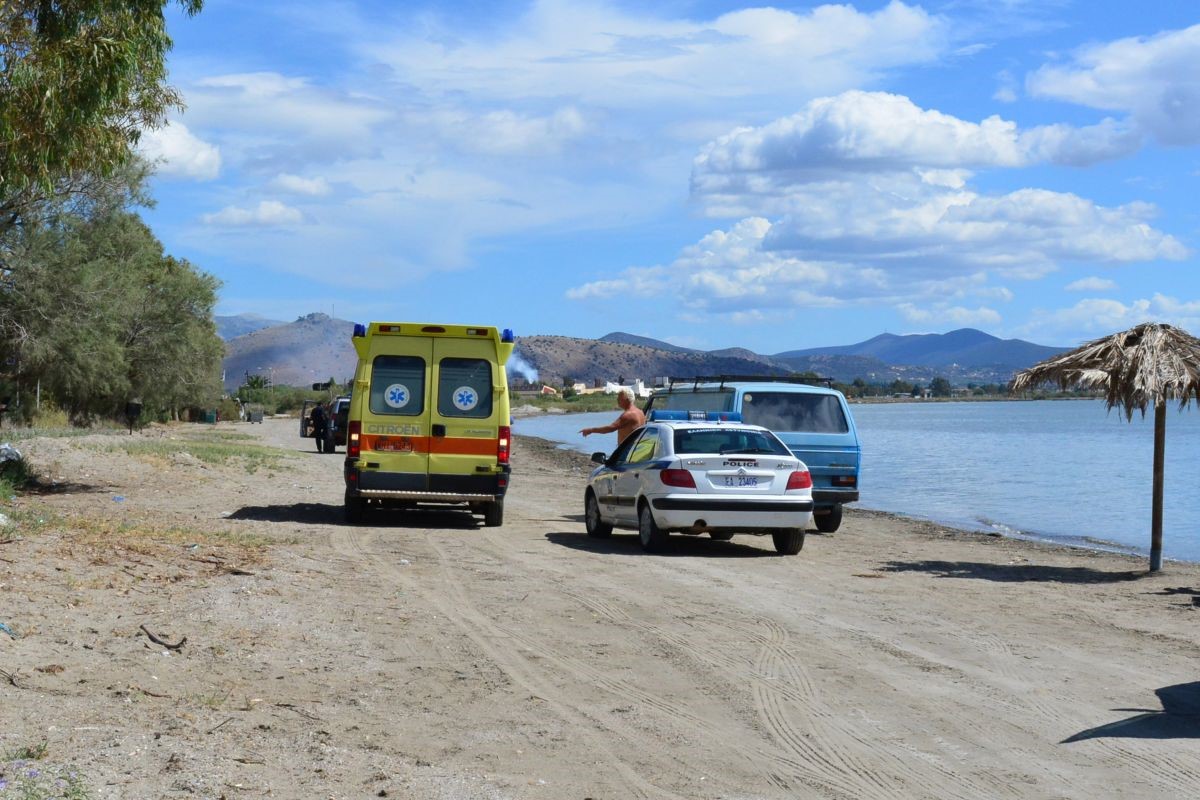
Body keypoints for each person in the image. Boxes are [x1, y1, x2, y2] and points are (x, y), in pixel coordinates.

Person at [581, 386, 646, 445]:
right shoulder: (641, 413)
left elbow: (610, 428)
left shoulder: (628, 415)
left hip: (626, 452)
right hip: (636, 450)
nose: (617, 400)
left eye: (619, 397)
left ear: (626, 399)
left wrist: (591, 430)